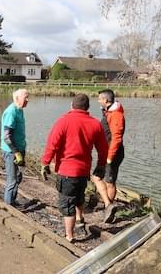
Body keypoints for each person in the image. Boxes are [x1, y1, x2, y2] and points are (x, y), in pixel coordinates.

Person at [41, 94, 108, 243]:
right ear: (88, 108)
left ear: (72, 105)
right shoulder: (96, 124)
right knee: (79, 197)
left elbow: (52, 144)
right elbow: (103, 149)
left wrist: (45, 162)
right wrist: (101, 166)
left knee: (67, 204)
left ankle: (69, 236)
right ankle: (80, 219)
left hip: (66, 171)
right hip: (83, 171)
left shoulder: (63, 121)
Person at [91, 89, 126, 223]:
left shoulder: (116, 115)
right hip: (106, 152)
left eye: (100, 99)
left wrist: (110, 157)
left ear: (106, 100)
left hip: (113, 153)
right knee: (96, 177)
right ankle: (108, 205)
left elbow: (116, 138)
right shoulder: (109, 111)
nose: (98, 101)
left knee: (110, 182)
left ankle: (108, 209)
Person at [0, 89, 29, 206]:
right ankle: (8, 207)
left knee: (18, 176)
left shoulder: (20, 110)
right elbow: (6, 137)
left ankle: (12, 201)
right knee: (12, 180)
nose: (28, 100)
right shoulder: (11, 112)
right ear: (17, 98)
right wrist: (16, 152)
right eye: (25, 97)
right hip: (11, 151)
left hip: (19, 150)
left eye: (28, 97)